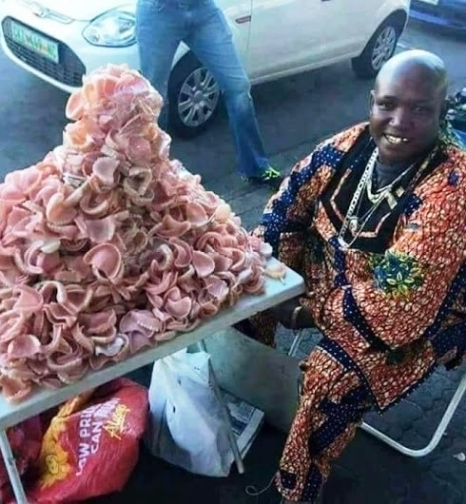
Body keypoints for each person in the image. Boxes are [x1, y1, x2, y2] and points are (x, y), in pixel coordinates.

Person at [241, 49, 466, 503]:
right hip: (339, 280)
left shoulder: (452, 189)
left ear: (441, 112)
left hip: (419, 320)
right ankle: (252, 402)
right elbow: (287, 205)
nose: (399, 121)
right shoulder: (350, 146)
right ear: (372, 102)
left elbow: (396, 305)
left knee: (329, 376)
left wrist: (302, 312)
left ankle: (297, 488)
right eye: (388, 104)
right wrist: (264, 273)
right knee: (246, 286)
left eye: (420, 109)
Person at [135, 0, 282, 188]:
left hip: (202, 10)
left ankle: (256, 168)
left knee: (238, 87)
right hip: (159, 12)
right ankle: (155, 177)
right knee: (154, 99)